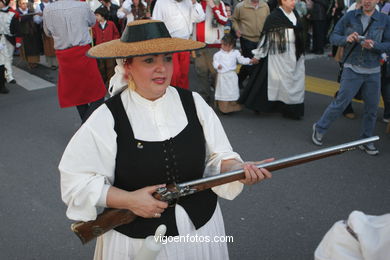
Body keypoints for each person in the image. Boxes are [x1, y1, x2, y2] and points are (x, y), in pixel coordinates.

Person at [59, 19, 273, 259]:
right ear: (127, 66)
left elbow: (219, 157)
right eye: (149, 60)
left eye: (167, 58)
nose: (162, 68)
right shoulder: (107, 117)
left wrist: (239, 169)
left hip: (201, 233)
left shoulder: (194, 103)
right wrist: (129, 200)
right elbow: (76, 183)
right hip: (135, 242)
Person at [312, 0, 390, 155]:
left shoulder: (384, 19)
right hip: (351, 67)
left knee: (372, 109)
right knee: (341, 103)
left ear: (377, 1)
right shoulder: (350, 16)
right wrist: (346, 39)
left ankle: (366, 140)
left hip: (373, 70)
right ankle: (319, 128)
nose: (367, 1)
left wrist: (374, 46)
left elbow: (388, 44)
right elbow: (333, 36)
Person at [239, 0, 305, 120]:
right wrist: (258, 55)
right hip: (280, 56)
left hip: (296, 55)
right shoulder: (274, 17)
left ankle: (291, 109)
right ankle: (285, 109)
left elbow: (300, 33)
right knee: (279, 83)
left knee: (295, 82)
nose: (293, 2)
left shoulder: (295, 14)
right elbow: (267, 39)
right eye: (289, 0)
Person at [43, 0, 107, 122]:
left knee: (76, 93)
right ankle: (88, 124)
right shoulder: (82, 5)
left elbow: (48, 32)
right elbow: (92, 21)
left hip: (64, 54)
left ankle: (86, 123)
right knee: (97, 92)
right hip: (83, 52)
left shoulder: (48, 9)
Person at [152, 0, 205, 90]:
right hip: (170, 44)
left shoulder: (188, 2)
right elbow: (156, 24)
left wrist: (195, 3)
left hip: (185, 43)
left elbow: (200, 18)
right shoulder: (161, 2)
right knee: (174, 74)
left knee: (184, 74)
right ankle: (171, 97)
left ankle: (182, 97)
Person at [192, 0, 228, 103]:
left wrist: (213, 6)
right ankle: (204, 100)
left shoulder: (218, 2)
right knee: (201, 73)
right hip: (198, 44)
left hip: (213, 45)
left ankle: (220, 100)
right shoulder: (196, 3)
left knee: (215, 73)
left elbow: (224, 20)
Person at [213, 34, 256, 114]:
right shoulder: (218, 54)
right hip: (222, 76)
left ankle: (231, 105)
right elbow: (215, 61)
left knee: (231, 91)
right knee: (223, 92)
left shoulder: (236, 53)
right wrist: (217, 65)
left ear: (231, 46)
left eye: (225, 45)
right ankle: (223, 107)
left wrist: (249, 61)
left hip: (232, 75)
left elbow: (241, 60)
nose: (222, 46)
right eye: (222, 44)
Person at [231, 0, 270, 89]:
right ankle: (253, 89)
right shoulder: (240, 6)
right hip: (246, 39)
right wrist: (237, 29)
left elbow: (268, 20)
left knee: (254, 63)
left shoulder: (265, 6)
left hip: (261, 39)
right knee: (251, 63)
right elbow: (234, 20)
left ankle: (239, 79)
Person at [92, 8, 120, 87]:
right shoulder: (95, 26)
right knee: (101, 67)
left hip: (109, 49)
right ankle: (103, 82)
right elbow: (93, 36)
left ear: (103, 16)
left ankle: (110, 83)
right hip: (99, 50)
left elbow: (116, 34)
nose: (96, 17)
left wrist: (113, 42)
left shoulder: (111, 24)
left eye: (97, 15)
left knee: (110, 66)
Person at [0, 0, 20, 93]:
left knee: (9, 58)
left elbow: (17, 28)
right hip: (0, 38)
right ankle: (7, 76)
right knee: (2, 59)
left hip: (9, 38)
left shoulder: (14, 13)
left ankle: (9, 76)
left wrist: (18, 40)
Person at [16, 0, 42, 69]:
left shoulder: (30, 11)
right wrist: (33, 14)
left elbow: (36, 19)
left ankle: (34, 62)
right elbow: (21, 19)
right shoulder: (17, 12)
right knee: (28, 50)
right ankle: (29, 63)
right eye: (23, 3)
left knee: (35, 48)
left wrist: (34, 14)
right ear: (19, 4)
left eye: (26, 3)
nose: (25, 5)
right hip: (24, 33)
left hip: (32, 32)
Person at [34, 0, 58, 70]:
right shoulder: (39, 6)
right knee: (48, 47)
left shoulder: (53, 3)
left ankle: (58, 62)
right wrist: (42, 16)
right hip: (46, 28)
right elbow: (36, 20)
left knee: (57, 45)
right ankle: (51, 63)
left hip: (56, 28)